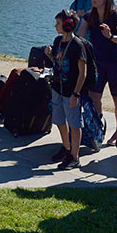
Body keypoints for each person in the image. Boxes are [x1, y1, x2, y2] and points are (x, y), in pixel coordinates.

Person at [77, 0, 117, 146]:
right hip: (98, 62)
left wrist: (110, 36)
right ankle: (96, 127)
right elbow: (80, 37)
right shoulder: (89, 16)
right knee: (94, 96)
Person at [44, 10, 87, 170]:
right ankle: (66, 148)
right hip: (58, 88)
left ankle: (75, 156)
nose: (55, 26)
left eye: (58, 23)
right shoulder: (57, 41)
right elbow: (58, 63)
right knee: (60, 121)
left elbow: (83, 73)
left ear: (68, 25)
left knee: (75, 123)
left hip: (71, 91)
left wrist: (76, 93)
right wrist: (49, 56)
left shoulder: (77, 45)